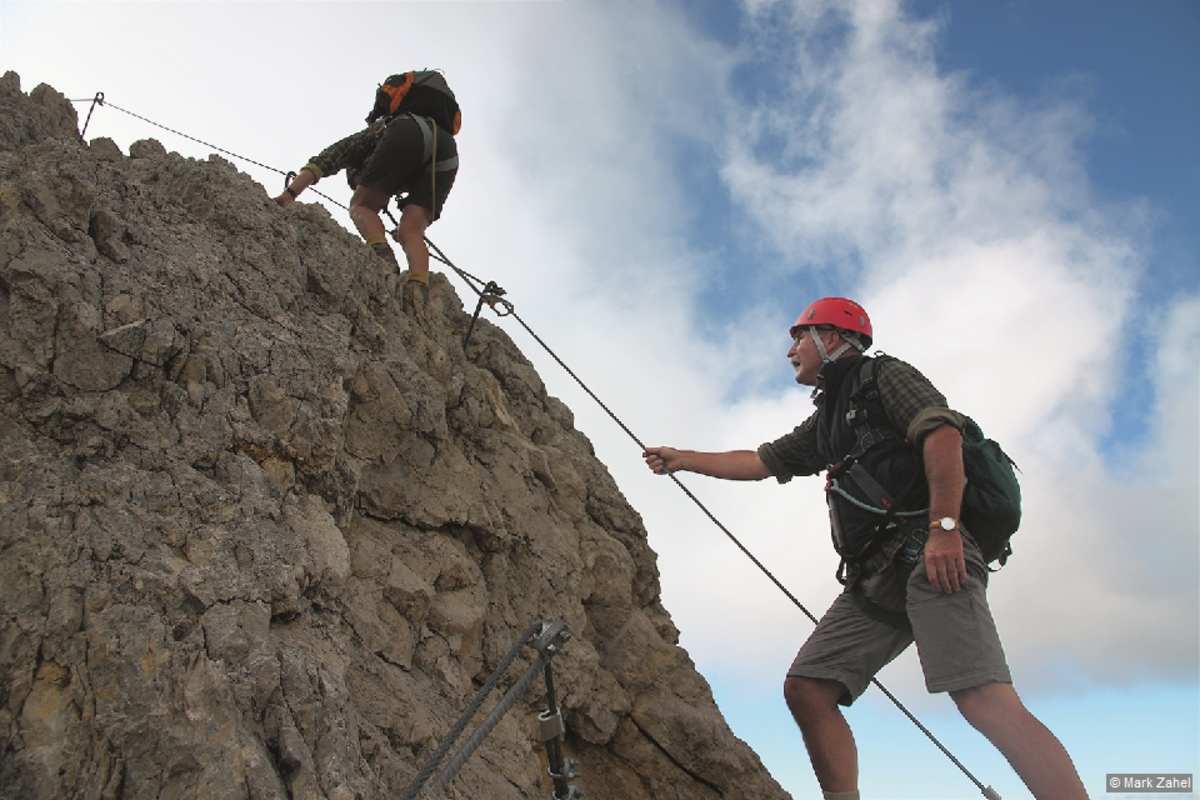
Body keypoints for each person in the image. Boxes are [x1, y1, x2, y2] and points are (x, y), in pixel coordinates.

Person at [643, 297, 1087, 800]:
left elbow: (941, 434)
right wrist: (684, 459)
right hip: (876, 575)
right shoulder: (829, 419)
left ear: (829, 338)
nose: (790, 350)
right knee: (809, 688)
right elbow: (763, 461)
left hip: (930, 549)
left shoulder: (884, 377)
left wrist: (944, 529)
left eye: (798, 337)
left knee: (982, 697)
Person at [274, 71, 461, 312]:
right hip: (447, 150)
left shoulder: (373, 134)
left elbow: (322, 162)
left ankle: (382, 256)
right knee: (411, 230)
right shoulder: (415, 127)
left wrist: (288, 195)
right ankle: (418, 288)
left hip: (407, 131)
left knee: (361, 206)